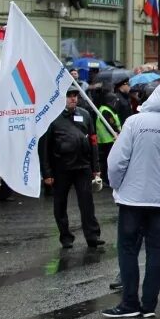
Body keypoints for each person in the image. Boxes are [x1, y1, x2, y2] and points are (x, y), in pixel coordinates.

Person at [101, 82, 160, 319]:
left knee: (128, 249)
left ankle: (129, 302)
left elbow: (116, 161)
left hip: (132, 198)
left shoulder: (134, 122)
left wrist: (118, 184)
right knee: (154, 251)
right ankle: (149, 304)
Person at [39, 89, 104, 248]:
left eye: (75, 96)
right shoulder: (51, 117)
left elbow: (93, 141)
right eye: (69, 96)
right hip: (61, 167)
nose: (73, 99)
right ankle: (65, 236)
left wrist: (95, 166)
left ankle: (92, 235)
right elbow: (44, 147)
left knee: (87, 202)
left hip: (82, 166)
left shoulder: (85, 114)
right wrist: (46, 172)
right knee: (60, 203)